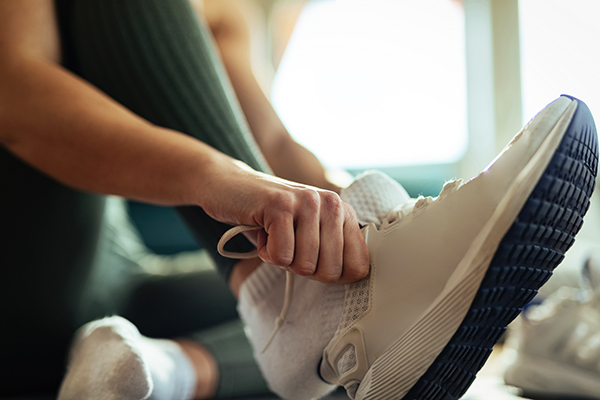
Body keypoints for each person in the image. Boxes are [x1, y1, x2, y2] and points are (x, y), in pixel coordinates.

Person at [0, 1, 597, 400]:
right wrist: (218, 177)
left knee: (383, 316)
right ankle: (237, 338)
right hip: (32, 269)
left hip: (116, 288)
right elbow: (14, 91)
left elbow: (275, 145)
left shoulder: (241, 12)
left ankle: (149, 372)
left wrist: (361, 225)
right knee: (316, 311)